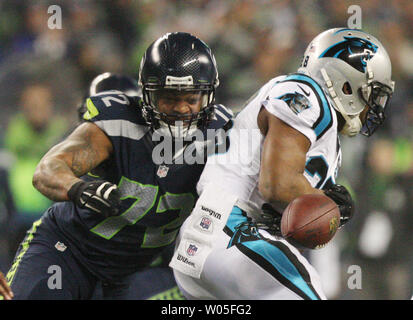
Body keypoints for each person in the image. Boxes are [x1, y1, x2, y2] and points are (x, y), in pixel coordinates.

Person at [170, 28, 395, 300]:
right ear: (346, 85)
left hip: (210, 241)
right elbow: (278, 184)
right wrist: (328, 204)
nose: (371, 107)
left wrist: (324, 205)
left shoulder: (322, 123)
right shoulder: (307, 94)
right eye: (369, 93)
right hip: (230, 231)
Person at [6, 32, 233, 299]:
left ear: (208, 96)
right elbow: (48, 169)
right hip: (69, 250)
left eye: (191, 98)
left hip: (142, 268)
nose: (182, 109)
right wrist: (78, 189)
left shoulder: (224, 134)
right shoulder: (118, 123)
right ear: (147, 94)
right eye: (170, 98)